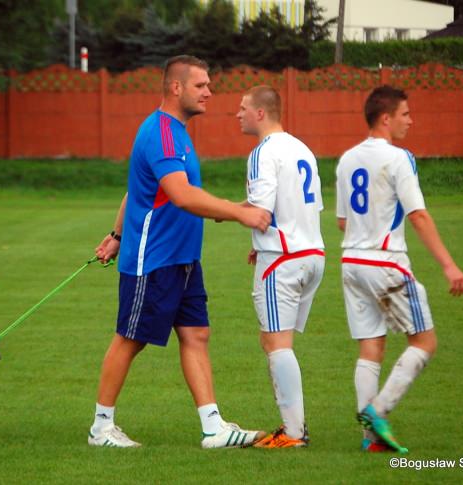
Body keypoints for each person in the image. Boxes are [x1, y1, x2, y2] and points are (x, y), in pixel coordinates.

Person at [88, 55, 272, 448]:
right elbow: (182, 195)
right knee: (129, 338)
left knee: (196, 334)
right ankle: (101, 428)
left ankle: (213, 428)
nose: (210, 91)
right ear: (176, 88)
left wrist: (115, 234)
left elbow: (138, 189)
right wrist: (239, 213)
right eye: (201, 85)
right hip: (154, 259)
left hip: (183, 258)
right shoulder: (162, 132)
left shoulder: (177, 132)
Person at [335, 85, 463, 453]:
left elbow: (343, 222)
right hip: (386, 264)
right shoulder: (399, 158)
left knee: (371, 347)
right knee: (424, 341)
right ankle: (378, 412)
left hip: (351, 265)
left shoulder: (346, 159)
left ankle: (370, 439)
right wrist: (449, 265)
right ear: (385, 118)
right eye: (405, 114)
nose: (411, 120)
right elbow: (419, 215)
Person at [235, 85, 325, 449]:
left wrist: (221, 211)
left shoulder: (262, 153)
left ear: (260, 113)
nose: (237, 114)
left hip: (283, 260)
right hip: (312, 254)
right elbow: (303, 206)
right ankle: (293, 429)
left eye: (242, 108)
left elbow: (261, 213)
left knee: (276, 342)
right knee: (274, 339)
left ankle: (292, 433)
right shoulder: (301, 148)